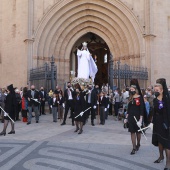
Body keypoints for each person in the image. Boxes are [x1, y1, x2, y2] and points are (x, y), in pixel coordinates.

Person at [152, 79, 170, 170]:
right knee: (159, 140)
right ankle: (161, 156)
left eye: (157, 90)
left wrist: (167, 123)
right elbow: (154, 112)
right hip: (157, 122)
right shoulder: (155, 100)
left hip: (165, 122)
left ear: (162, 90)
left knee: (167, 143)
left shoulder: (166, 99)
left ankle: (168, 162)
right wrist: (152, 122)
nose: (155, 92)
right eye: (155, 90)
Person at [124, 79, 146, 155]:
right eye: (130, 89)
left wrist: (141, 119)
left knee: (138, 132)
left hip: (138, 116)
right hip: (131, 117)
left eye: (132, 89)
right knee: (132, 132)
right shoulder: (130, 98)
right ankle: (133, 147)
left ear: (135, 90)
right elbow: (128, 109)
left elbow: (141, 108)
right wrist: (126, 118)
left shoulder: (140, 97)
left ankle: (138, 144)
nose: (131, 90)